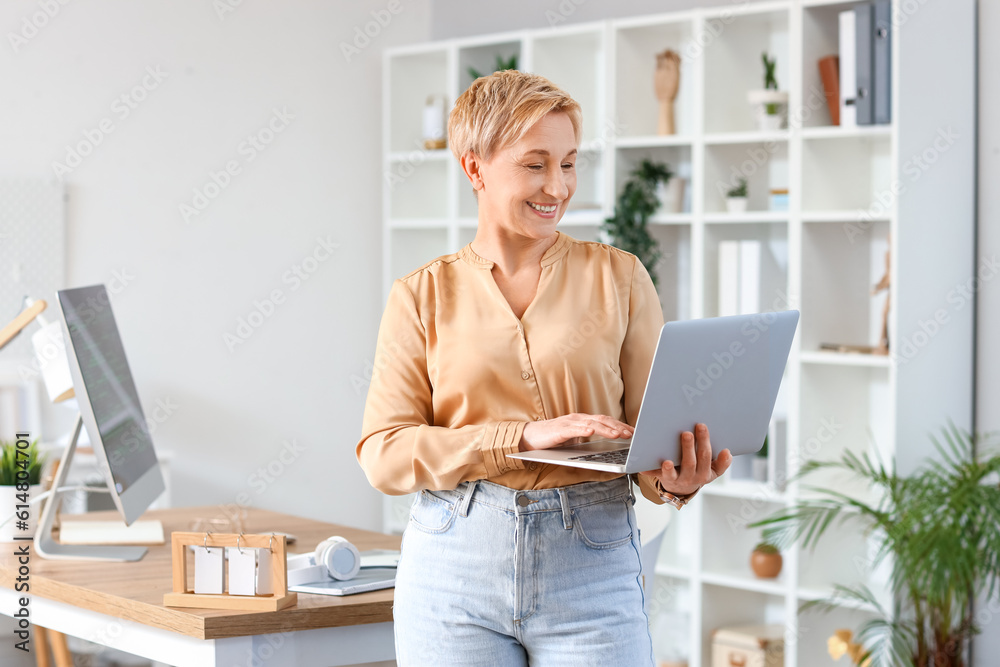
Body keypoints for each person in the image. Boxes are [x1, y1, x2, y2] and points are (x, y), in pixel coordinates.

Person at [357, 70, 732, 666]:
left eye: (568, 163)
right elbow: (384, 452)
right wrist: (520, 438)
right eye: (535, 165)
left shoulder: (619, 278)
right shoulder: (421, 296)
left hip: (591, 562)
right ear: (474, 167)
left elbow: (648, 439)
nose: (557, 186)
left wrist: (673, 480)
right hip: (455, 563)